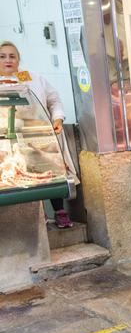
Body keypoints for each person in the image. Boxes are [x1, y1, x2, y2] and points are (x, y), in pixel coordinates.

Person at [0, 41, 78, 228]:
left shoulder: (32, 78)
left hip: (38, 134)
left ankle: (59, 211)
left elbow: (54, 99)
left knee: (49, 172)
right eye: (2, 56)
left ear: (19, 59)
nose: (8, 60)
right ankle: (34, 216)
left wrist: (57, 118)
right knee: (20, 178)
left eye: (12, 56)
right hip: (7, 141)